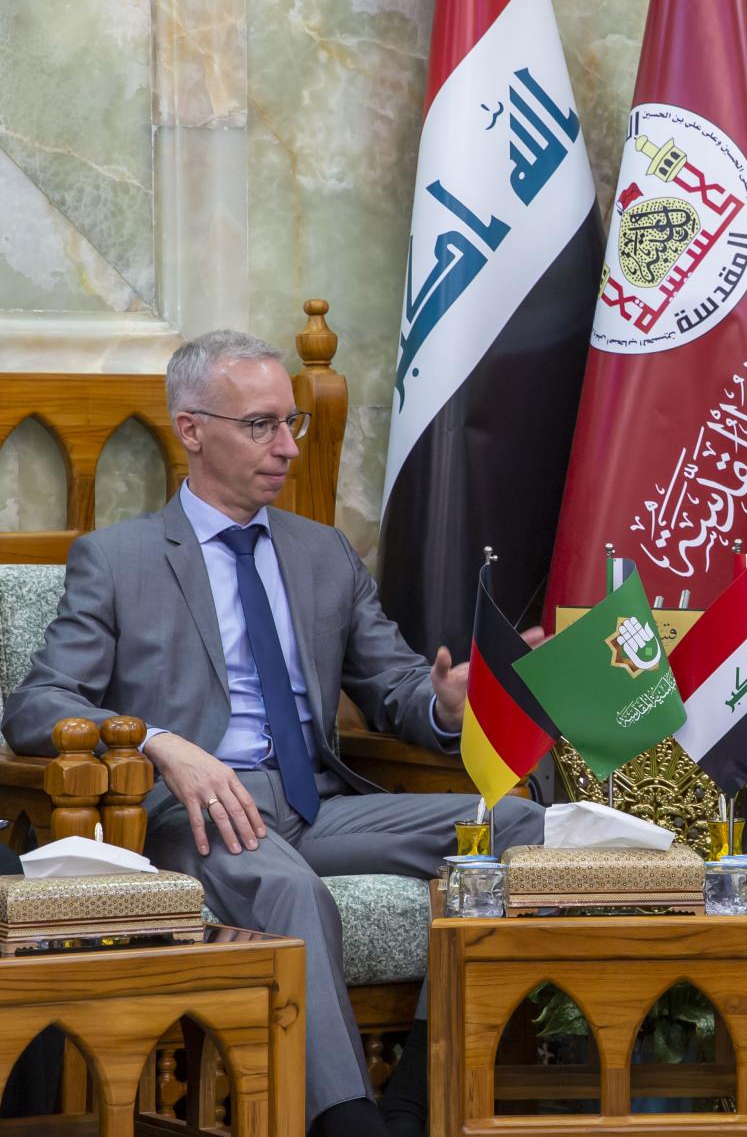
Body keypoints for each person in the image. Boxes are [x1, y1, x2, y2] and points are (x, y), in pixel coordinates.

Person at [4, 331, 543, 1137]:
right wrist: (155, 740)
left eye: (292, 422)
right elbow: (36, 704)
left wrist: (447, 704)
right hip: (197, 815)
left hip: (314, 804)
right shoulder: (117, 559)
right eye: (261, 425)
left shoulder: (323, 552)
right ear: (192, 429)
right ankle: (349, 1124)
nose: (287, 446)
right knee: (291, 890)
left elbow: (394, 686)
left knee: (517, 824)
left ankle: (419, 1090)